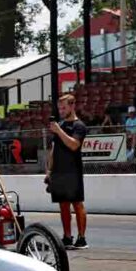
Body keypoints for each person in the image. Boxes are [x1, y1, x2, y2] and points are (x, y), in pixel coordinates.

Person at [46, 94, 87, 250]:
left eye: (64, 108)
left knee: (77, 204)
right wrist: (49, 170)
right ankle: (67, 236)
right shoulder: (60, 125)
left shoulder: (79, 126)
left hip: (73, 170)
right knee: (63, 205)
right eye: (59, 108)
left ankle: (82, 237)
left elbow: (74, 145)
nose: (61, 111)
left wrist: (58, 130)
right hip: (59, 171)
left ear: (72, 106)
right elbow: (53, 149)